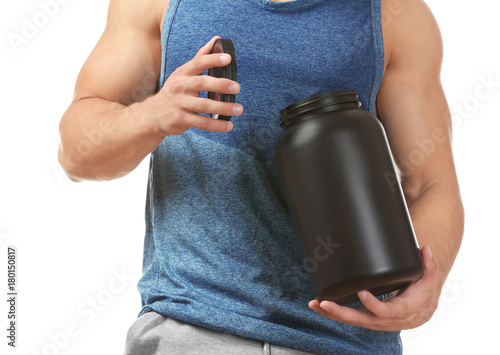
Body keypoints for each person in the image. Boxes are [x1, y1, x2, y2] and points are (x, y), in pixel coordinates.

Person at [57, 0, 464, 354]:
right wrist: (155, 114)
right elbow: (76, 153)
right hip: (194, 328)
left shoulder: (395, 15)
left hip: (347, 338)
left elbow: (431, 183)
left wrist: (429, 284)